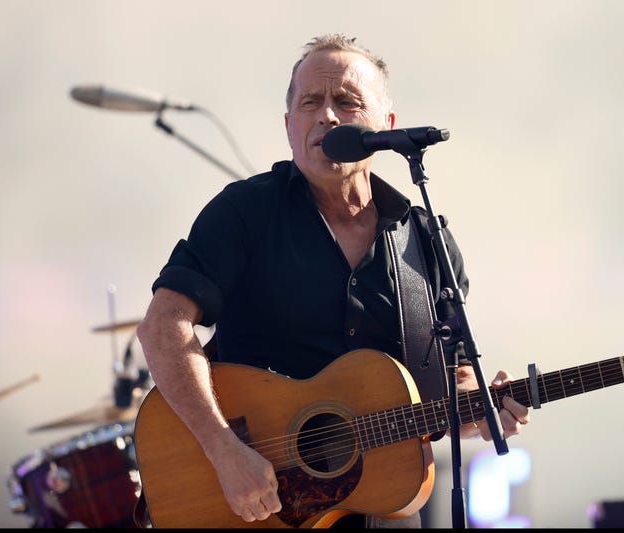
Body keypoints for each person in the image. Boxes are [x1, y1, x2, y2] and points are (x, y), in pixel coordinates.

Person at [136, 33, 530, 529]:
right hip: (258, 509)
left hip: (388, 507)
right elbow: (162, 327)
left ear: (386, 125)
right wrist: (224, 449)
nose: (327, 116)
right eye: (310, 102)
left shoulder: (426, 241)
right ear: (289, 126)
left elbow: (446, 381)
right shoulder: (244, 212)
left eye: (346, 101)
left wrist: (484, 409)